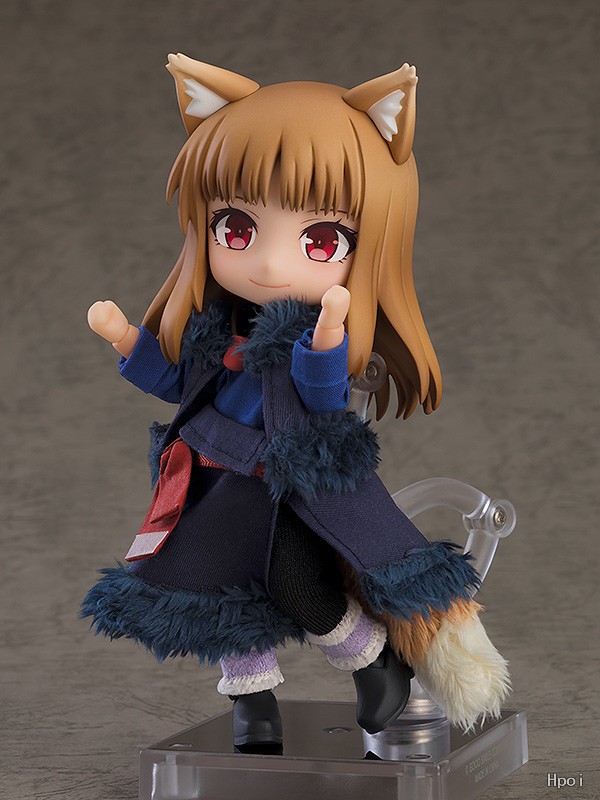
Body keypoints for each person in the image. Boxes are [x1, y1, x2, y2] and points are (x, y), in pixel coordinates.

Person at [81, 54, 509, 750]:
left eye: (320, 239)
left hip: (286, 488)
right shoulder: (219, 330)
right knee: (218, 597)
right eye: (237, 228)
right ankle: (253, 709)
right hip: (213, 484)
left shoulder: (303, 336)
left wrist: (328, 338)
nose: (271, 264)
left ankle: (373, 662)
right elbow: (179, 386)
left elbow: (322, 398)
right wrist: (128, 340)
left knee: (294, 584)